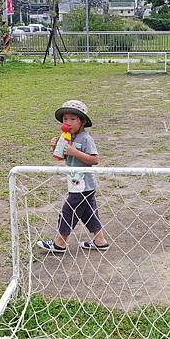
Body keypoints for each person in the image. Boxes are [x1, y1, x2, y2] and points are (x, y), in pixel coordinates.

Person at [37, 100, 110, 253]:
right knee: (88, 213)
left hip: (83, 184)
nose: (68, 122)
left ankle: (60, 243)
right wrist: (55, 148)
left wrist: (75, 152)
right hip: (75, 182)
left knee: (68, 211)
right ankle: (100, 241)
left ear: (82, 122)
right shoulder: (69, 137)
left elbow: (94, 160)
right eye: (65, 119)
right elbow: (66, 159)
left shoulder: (85, 138)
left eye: (72, 119)